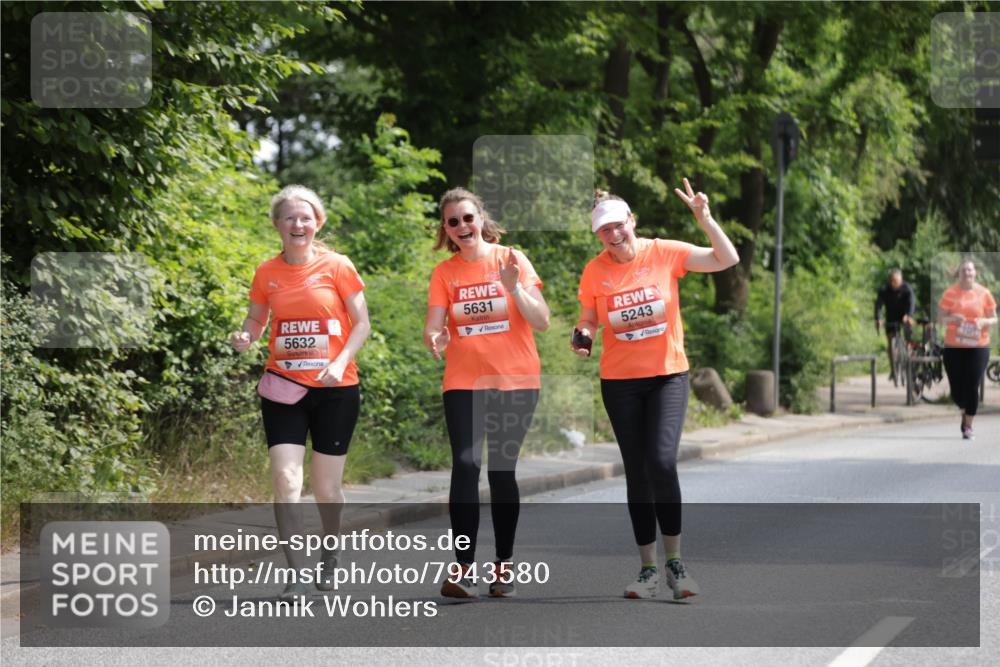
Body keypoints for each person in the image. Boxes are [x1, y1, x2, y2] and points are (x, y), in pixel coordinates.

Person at [571, 179, 738, 601]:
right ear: (598, 235)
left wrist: (705, 219)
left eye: (618, 225)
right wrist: (583, 333)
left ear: (632, 221)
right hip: (620, 382)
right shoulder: (595, 271)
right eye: (604, 231)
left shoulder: (663, 252)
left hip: (667, 375)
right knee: (637, 472)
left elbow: (726, 258)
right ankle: (647, 569)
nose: (613, 235)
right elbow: (589, 316)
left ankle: (676, 564)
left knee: (662, 462)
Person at [229, 185, 371, 599]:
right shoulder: (266, 272)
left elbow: (362, 324)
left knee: (327, 489)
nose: (298, 224)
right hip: (283, 388)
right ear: (277, 224)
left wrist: (341, 360)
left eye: (306, 217)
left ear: (318, 223)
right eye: (289, 217)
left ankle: (330, 550)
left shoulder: (338, 266)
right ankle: (295, 570)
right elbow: (256, 321)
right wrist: (245, 336)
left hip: (335, 389)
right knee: (286, 480)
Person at [423, 187, 550, 599]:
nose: (462, 226)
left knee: (500, 472)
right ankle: (462, 568)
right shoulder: (445, 273)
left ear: (481, 218)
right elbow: (433, 326)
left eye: (467, 218)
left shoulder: (510, 258)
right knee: (465, 465)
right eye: (453, 221)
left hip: (515, 381)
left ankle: (504, 565)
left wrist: (514, 289)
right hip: (463, 381)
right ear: (445, 229)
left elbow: (543, 320)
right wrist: (436, 338)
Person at [937, 260, 997, 440]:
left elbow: (994, 318)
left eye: (970, 270)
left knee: (972, 384)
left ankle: (968, 425)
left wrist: (984, 322)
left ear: (975, 273)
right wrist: (952, 318)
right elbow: (940, 319)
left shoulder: (984, 293)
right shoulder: (950, 293)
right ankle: (964, 410)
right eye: (964, 270)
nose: (967, 273)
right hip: (954, 346)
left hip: (978, 345)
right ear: (959, 274)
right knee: (957, 389)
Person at [874, 268, 916, 382]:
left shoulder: (907, 288)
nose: (893, 284)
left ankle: (911, 359)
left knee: (908, 337)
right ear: (889, 280)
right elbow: (878, 305)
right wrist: (878, 318)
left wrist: (909, 315)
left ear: (901, 280)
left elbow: (911, 302)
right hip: (891, 317)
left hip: (905, 316)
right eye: (891, 281)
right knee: (890, 342)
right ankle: (893, 369)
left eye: (896, 281)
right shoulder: (884, 289)